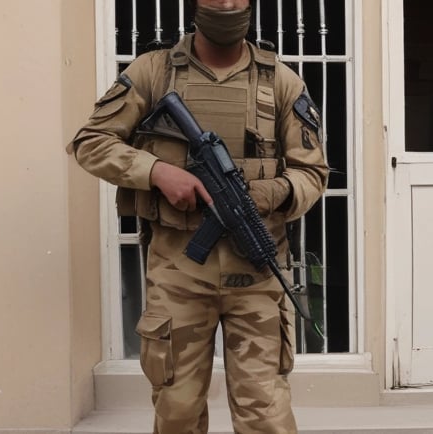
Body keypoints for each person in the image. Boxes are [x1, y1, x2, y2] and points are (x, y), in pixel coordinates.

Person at [66, 0, 329, 432]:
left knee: (266, 413)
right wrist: (156, 172)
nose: (226, 5)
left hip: (258, 272)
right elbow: (90, 142)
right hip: (179, 270)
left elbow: (313, 172)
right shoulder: (153, 72)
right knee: (178, 409)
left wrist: (275, 190)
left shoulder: (280, 80)